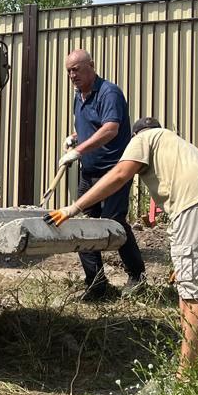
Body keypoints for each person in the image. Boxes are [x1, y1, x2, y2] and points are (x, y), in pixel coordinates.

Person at [47, 117, 198, 372]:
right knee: (191, 287)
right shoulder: (179, 144)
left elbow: (119, 174)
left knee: (193, 297)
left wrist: (75, 207)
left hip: (194, 208)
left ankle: (186, 377)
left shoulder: (143, 138)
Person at [58, 50, 147, 298]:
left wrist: (79, 150)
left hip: (114, 170)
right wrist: (75, 138)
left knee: (113, 222)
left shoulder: (109, 92)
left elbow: (110, 128)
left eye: (76, 69)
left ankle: (137, 277)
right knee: (83, 225)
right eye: (68, 71)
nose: (72, 75)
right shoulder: (79, 97)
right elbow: (91, 127)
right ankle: (96, 284)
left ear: (92, 66)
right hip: (89, 172)